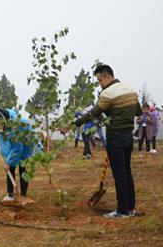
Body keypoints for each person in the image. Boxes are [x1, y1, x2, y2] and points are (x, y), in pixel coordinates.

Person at [61, 65, 142, 219]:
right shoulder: (130, 90)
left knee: (119, 174)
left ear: (107, 77)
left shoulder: (108, 93)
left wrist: (71, 126)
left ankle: (122, 211)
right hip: (128, 137)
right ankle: (130, 208)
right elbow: (137, 111)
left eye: (100, 80)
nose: (99, 84)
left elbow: (93, 113)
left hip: (115, 137)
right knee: (127, 172)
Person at [0, 108, 43, 202]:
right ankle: (10, 194)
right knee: (10, 168)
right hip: (14, 144)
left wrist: (8, 162)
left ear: (4, 121)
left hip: (26, 143)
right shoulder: (0, 122)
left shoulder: (16, 127)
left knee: (23, 167)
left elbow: (17, 148)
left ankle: (23, 195)